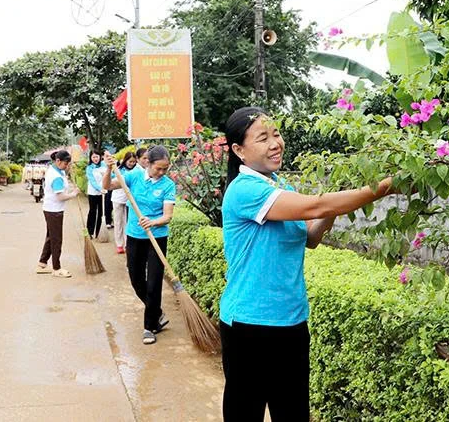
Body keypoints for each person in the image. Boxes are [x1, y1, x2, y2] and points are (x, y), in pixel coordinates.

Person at [219, 107, 399, 421]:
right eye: (263, 138)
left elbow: (311, 237)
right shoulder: (244, 191)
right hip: (249, 325)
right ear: (239, 150)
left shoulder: (280, 186)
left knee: (294, 412)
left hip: (291, 320)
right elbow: (316, 205)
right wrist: (384, 187)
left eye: (276, 134)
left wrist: (333, 209)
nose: (275, 143)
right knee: (245, 413)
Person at [103, 146, 176, 345]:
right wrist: (109, 168)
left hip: (157, 237)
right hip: (135, 236)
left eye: (165, 169)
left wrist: (153, 222)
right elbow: (107, 185)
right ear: (148, 163)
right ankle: (157, 312)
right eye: (158, 168)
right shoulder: (134, 177)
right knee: (136, 280)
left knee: (154, 283)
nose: (161, 172)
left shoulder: (168, 185)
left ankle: (149, 327)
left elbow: (167, 216)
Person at [37, 150, 79, 278]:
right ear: (58, 161)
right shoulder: (56, 176)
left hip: (51, 209)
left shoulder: (57, 170)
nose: (67, 166)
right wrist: (73, 194)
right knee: (56, 240)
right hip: (54, 211)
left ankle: (42, 263)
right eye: (66, 164)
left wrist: (68, 172)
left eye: (68, 164)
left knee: (51, 237)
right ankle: (56, 268)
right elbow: (60, 197)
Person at [110, 152, 137, 254]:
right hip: (117, 199)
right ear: (125, 160)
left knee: (127, 222)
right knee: (118, 222)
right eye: (130, 161)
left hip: (129, 200)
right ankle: (119, 244)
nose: (132, 163)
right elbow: (111, 181)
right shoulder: (118, 170)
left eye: (134, 162)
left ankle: (127, 244)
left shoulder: (135, 171)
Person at [85, 151, 105, 239]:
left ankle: (99, 232)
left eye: (97, 157)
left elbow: (111, 176)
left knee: (101, 212)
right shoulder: (89, 168)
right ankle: (89, 232)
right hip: (93, 193)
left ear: (100, 157)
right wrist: (100, 189)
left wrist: (106, 174)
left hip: (103, 193)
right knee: (92, 211)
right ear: (90, 158)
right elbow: (92, 181)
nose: (95, 159)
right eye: (93, 157)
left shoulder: (104, 165)